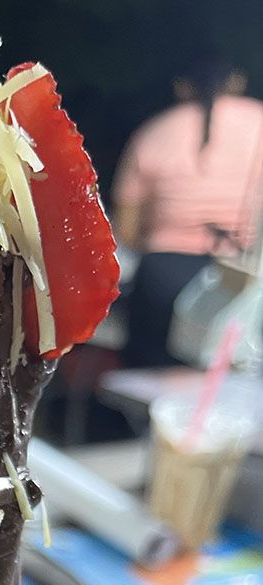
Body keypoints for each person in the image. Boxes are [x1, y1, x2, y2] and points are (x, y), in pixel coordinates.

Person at [112, 54, 263, 367]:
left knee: (150, 385)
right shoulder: (258, 121)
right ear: (237, 82)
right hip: (240, 274)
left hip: (163, 276)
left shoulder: (154, 131)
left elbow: (125, 230)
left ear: (182, 88)